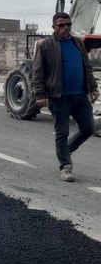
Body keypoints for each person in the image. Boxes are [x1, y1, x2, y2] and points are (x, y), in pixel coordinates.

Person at [32, 12, 99, 182]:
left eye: (68, 24)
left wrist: (93, 87)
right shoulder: (46, 45)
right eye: (61, 25)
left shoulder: (77, 43)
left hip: (80, 95)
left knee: (89, 128)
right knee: (62, 131)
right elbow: (37, 72)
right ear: (54, 27)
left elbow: (87, 67)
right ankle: (65, 167)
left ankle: (67, 148)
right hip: (59, 96)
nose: (66, 27)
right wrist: (40, 94)